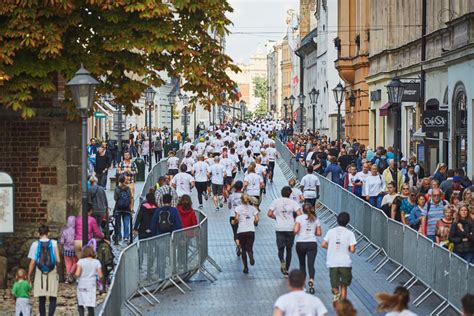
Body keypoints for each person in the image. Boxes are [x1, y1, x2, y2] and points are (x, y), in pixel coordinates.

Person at [321, 212, 356, 302]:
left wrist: (331, 247)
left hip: (332, 262)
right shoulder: (350, 233)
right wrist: (346, 247)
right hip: (345, 263)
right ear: (348, 222)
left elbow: (323, 244)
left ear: (337, 220)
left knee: (334, 286)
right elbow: (352, 249)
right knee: (344, 285)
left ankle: (336, 293)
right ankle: (343, 305)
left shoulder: (330, 231)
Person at [267, 186, 302, 277]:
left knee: (280, 248)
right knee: (289, 249)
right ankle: (286, 269)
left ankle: (282, 260)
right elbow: (300, 215)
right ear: (290, 194)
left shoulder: (276, 201)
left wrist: (276, 218)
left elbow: (269, 213)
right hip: (290, 228)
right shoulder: (293, 203)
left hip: (279, 228)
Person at [27, 225, 60, 316]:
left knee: (42, 297)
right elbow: (58, 260)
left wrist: (29, 275)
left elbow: (32, 263)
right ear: (48, 233)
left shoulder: (35, 244)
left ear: (38, 234)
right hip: (52, 271)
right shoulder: (54, 243)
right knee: (53, 296)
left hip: (40, 272)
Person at [294, 203, 321, 294]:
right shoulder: (316, 219)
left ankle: (303, 285)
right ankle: (312, 280)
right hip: (312, 243)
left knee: (302, 264)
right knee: (311, 264)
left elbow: (296, 230)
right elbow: (319, 233)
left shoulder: (299, 218)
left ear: (303, 210)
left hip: (301, 243)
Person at [234, 193, 259, 274]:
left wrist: (235, 221)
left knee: (243, 249)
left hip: (241, 230)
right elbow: (257, 219)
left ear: (241, 200)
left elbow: (237, 218)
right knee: (250, 247)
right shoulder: (253, 209)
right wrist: (254, 222)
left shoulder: (238, 208)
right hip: (251, 230)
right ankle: (251, 256)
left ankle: (245, 267)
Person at [75, 246, 103, 316]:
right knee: (90, 304)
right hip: (91, 284)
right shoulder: (97, 262)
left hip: (82, 284)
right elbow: (100, 275)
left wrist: (75, 277)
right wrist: (100, 283)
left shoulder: (80, 262)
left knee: (80, 302)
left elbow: (77, 274)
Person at [113, 175, 133, 244]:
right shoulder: (128, 188)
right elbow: (130, 198)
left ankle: (118, 236)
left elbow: (115, 198)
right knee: (126, 222)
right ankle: (126, 236)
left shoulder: (117, 188)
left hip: (118, 208)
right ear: (124, 180)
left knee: (118, 223)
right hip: (127, 208)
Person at [60, 215, 78, 283]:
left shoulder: (65, 231)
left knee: (68, 263)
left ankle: (68, 277)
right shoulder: (76, 231)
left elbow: (62, 241)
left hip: (66, 249)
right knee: (75, 262)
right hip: (74, 250)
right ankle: (70, 274)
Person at [228, 181, 244, 256]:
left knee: (235, 231)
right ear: (242, 187)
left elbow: (229, 206)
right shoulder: (244, 195)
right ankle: (241, 243)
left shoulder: (231, 196)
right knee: (241, 231)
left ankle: (238, 244)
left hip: (233, 215)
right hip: (242, 216)